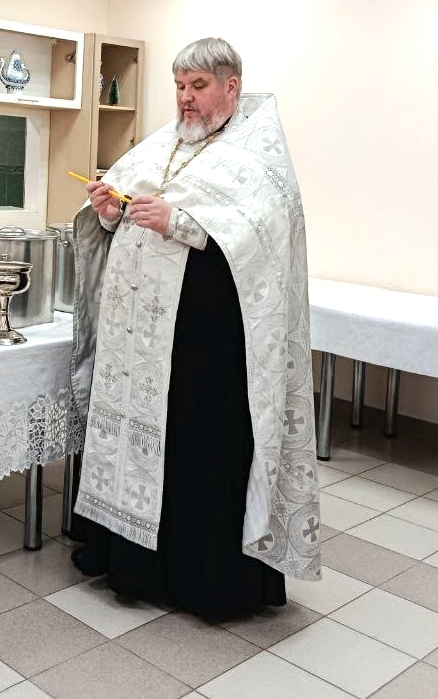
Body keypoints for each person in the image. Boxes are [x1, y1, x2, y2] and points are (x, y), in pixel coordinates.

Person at [67, 36, 321, 620]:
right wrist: (111, 213)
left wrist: (180, 223)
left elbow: (259, 244)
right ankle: (128, 560)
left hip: (204, 340)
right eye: (180, 86)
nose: (185, 98)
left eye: (198, 86)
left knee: (195, 447)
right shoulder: (163, 144)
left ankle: (196, 578)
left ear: (231, 86)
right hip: (137, 343)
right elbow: (128, 213)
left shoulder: (257, 157)